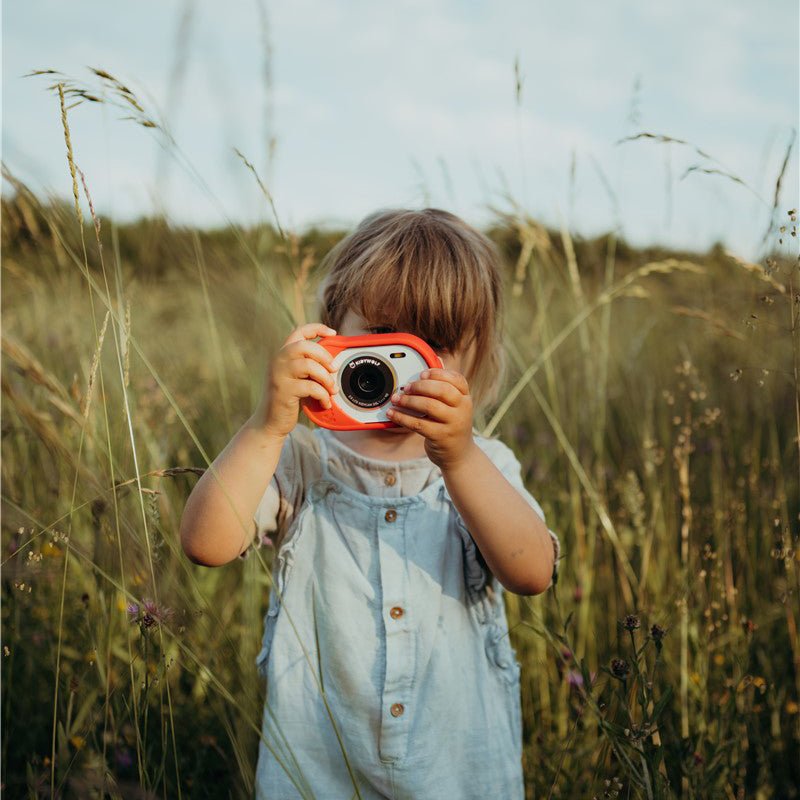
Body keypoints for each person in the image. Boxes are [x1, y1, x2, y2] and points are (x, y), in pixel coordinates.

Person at [179, 208, 561, 799]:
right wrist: (265, 425)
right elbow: (205, 544)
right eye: (383, 338)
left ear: (475, 354)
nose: (404, 371)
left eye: (434, 347)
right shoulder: (301, 461)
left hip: (453, 774)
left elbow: (533, 572)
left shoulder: (486, 466)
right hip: (320, 774)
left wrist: (458, 459)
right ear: (331, 334)